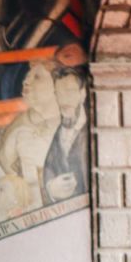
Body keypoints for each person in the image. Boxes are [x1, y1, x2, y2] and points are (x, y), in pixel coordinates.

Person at [0, 59, 61, 208]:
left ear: (56, 85)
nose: (26, 81)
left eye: (37, 77)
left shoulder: (69, 122)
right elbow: (3, 168)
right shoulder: (18, 127)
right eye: (27, 76)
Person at [42, 67, 89, 204]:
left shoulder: (93, 132)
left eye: (69, 92)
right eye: (59, 94)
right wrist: (51, 188)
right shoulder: (59, 133)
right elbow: (49, 167)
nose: (63, 100)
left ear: (83, 93)